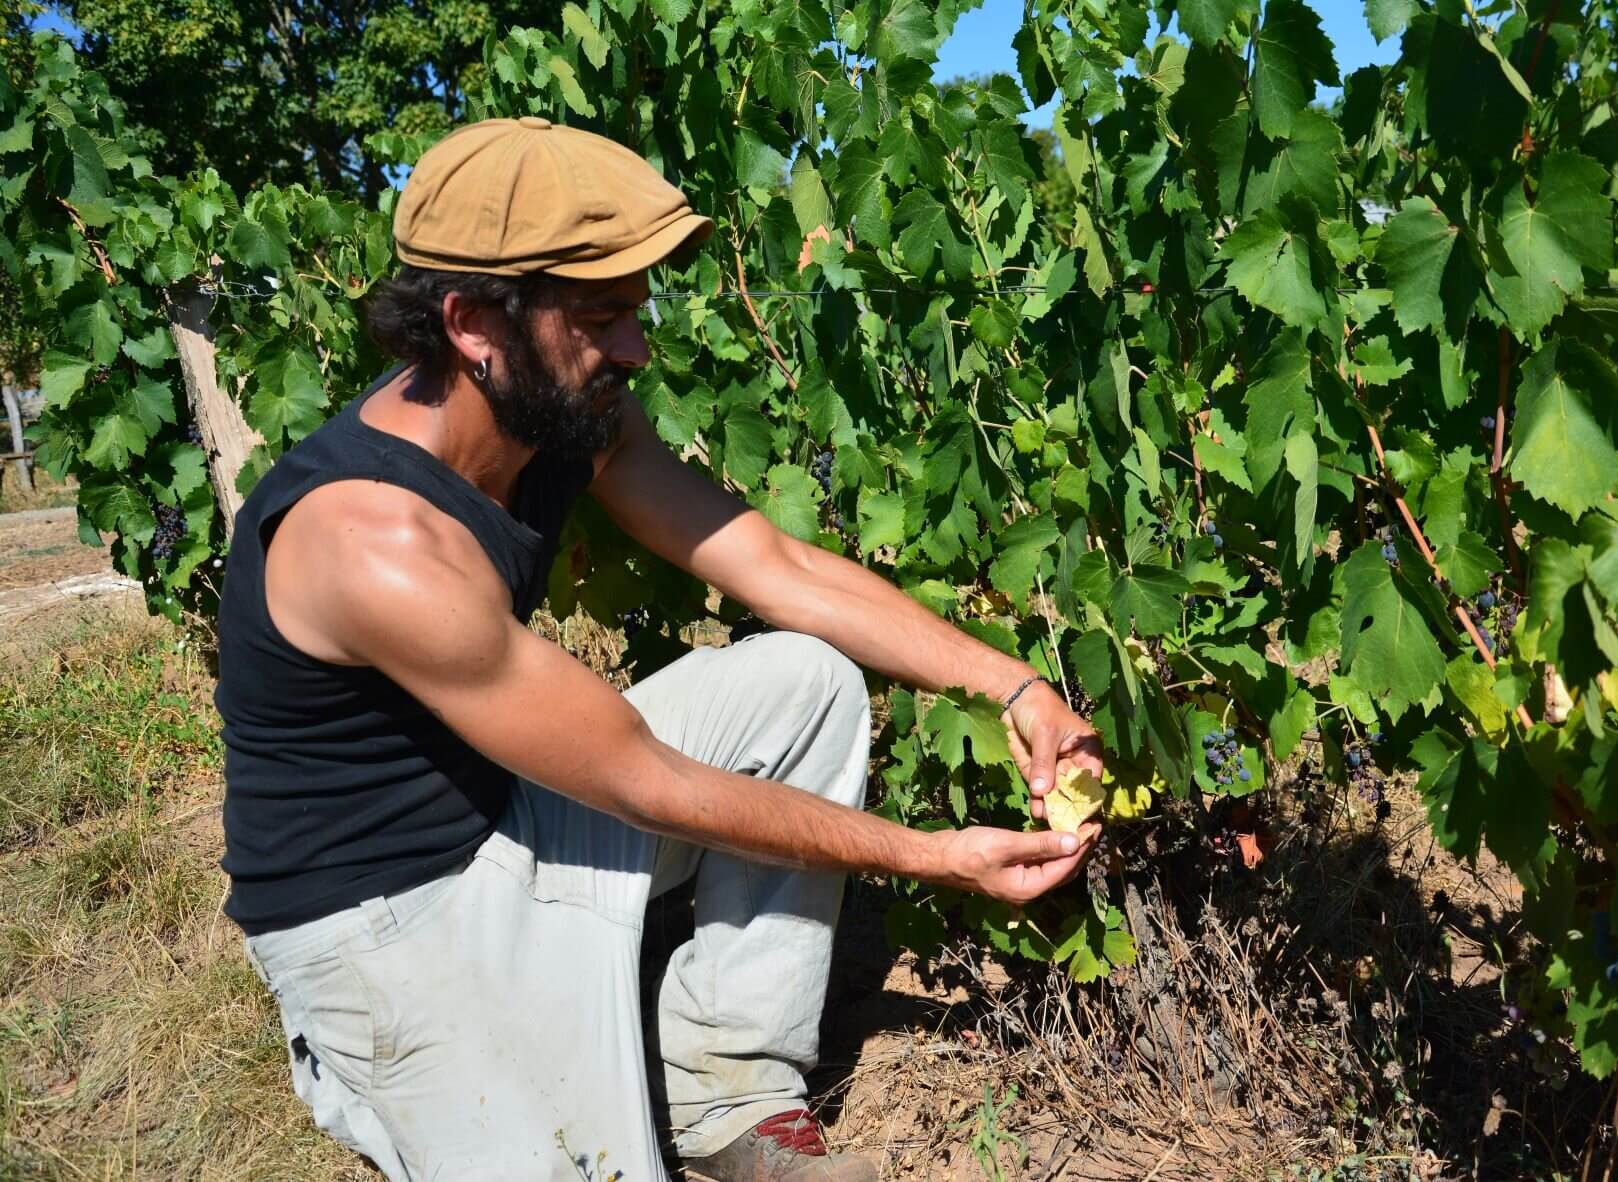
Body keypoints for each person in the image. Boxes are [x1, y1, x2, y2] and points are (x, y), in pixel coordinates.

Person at [214, 115, 1104, 1182]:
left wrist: (1015, 684)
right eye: (601, 318)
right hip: (384, 927)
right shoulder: (377, 545)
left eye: (636, 312)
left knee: (805, 684)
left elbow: (780, 568)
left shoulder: (564, 420)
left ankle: (728, 1092)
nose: (635, 349)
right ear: (472, 323)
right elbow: (647, 779)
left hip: (503, 816)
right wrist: (933, 857)